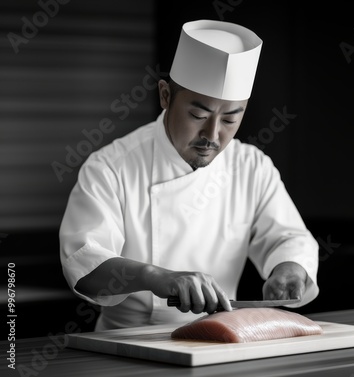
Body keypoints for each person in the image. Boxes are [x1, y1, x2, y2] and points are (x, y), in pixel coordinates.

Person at [59, 19, 319, 331]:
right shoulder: (111, 166)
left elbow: (288, 237)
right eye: (198, 115)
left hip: (223, 334)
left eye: (230, 119)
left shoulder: (252, 166)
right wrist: (158, 277)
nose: (212, 135)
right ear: (166, 96)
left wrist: (289, 269)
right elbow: (86, 265)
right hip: (128, 340)